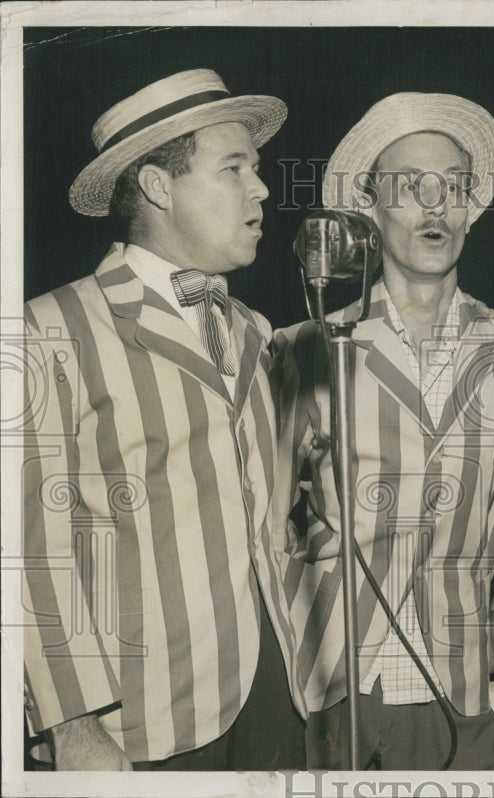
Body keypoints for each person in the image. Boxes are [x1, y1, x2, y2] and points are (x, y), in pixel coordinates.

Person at [21, 69, 306, 770]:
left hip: (275, 695)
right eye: (233, 167)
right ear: (157, 186)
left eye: (259, 168)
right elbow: (29, 550)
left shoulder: (252, 329)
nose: (262, 188)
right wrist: (73, 729)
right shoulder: (48, 330)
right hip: (142, 725)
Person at [270, 92, 494, 770]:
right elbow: (269, 518)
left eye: (452, 187)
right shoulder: (307, 346)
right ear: (370, 208)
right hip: (330, 681)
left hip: (455, 683)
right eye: (409, 187)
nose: (435, 206)